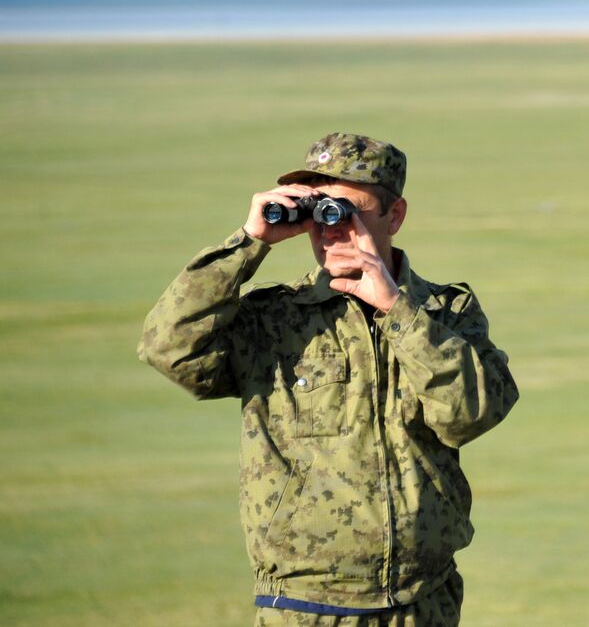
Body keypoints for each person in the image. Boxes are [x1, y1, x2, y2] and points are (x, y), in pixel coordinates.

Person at [140, 133, 519, 626]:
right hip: (304, 606)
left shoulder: (445, 313)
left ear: (395, 216)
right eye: (318, 210)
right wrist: (248, 243)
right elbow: (168, 347)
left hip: (421, 602)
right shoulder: (275, 319)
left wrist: (396, 310)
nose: (329, 228)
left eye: (347, 210)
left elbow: (468, 414)